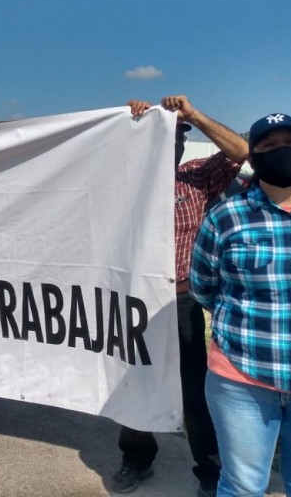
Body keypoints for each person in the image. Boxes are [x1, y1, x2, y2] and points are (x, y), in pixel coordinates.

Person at [191, 113, 291, 496]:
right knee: (243, 484)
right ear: (254, 157)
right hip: (242, 377)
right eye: (267, 146)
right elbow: (204, 286)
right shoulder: (225, 217)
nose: (281, 152)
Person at [111, 95, 248, 496]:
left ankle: (210, 472)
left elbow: (241, 151)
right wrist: (128, 119)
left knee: (195, 391)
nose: (172, 142)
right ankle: (136, 460)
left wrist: (193, 115)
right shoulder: (119, 181)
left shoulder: (195, 177)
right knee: (135, 384)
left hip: (182, 300)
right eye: (163, 134)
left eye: (177, 135)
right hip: (134, 300)